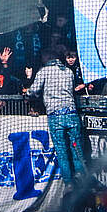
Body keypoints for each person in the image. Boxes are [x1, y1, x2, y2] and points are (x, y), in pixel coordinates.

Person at [27, 46, 87, 183]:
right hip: (72, 113)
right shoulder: (69, 71)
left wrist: (27, 92)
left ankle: (68, 183)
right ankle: (81, 177)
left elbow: (34, 90)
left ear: (48, 57)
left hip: (55, 115)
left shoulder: (44, 71)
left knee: (61, 151)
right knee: (77, 149)